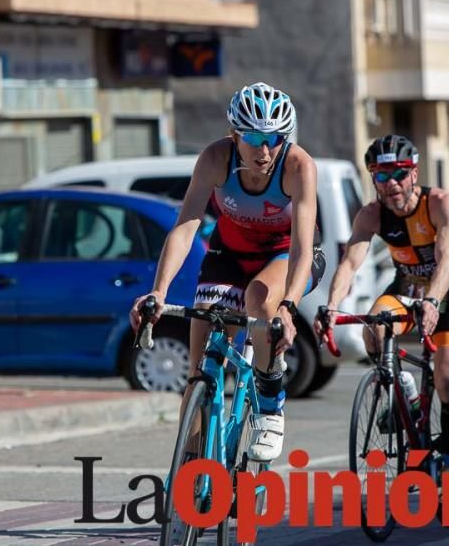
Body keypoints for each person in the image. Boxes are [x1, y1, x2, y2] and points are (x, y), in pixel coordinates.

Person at [129, 82, 324, 462]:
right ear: (235, 134)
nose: (265, 150)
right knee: (200, 368)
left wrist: (288, 306)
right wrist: (159, 291)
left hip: (286, 255)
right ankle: (189, 471)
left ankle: (270, 402)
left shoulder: (299, 166)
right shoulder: (215, 159)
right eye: (253, 137)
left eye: (274, 138)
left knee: (259, 299)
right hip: (230, 254)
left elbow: (302, 244)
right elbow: (186, 224)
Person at [315, 135, 449, 474]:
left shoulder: (440, 203)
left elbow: (446, 258)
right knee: (373, 327)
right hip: (406, 288)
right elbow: (350, 264)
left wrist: (432, 300)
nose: (391, 184)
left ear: (414, 173)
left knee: (446, 375)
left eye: (399, 174)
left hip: (448, 293)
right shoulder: (371, 215)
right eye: (381, 176)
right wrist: (331, 305)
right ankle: (405, 392)